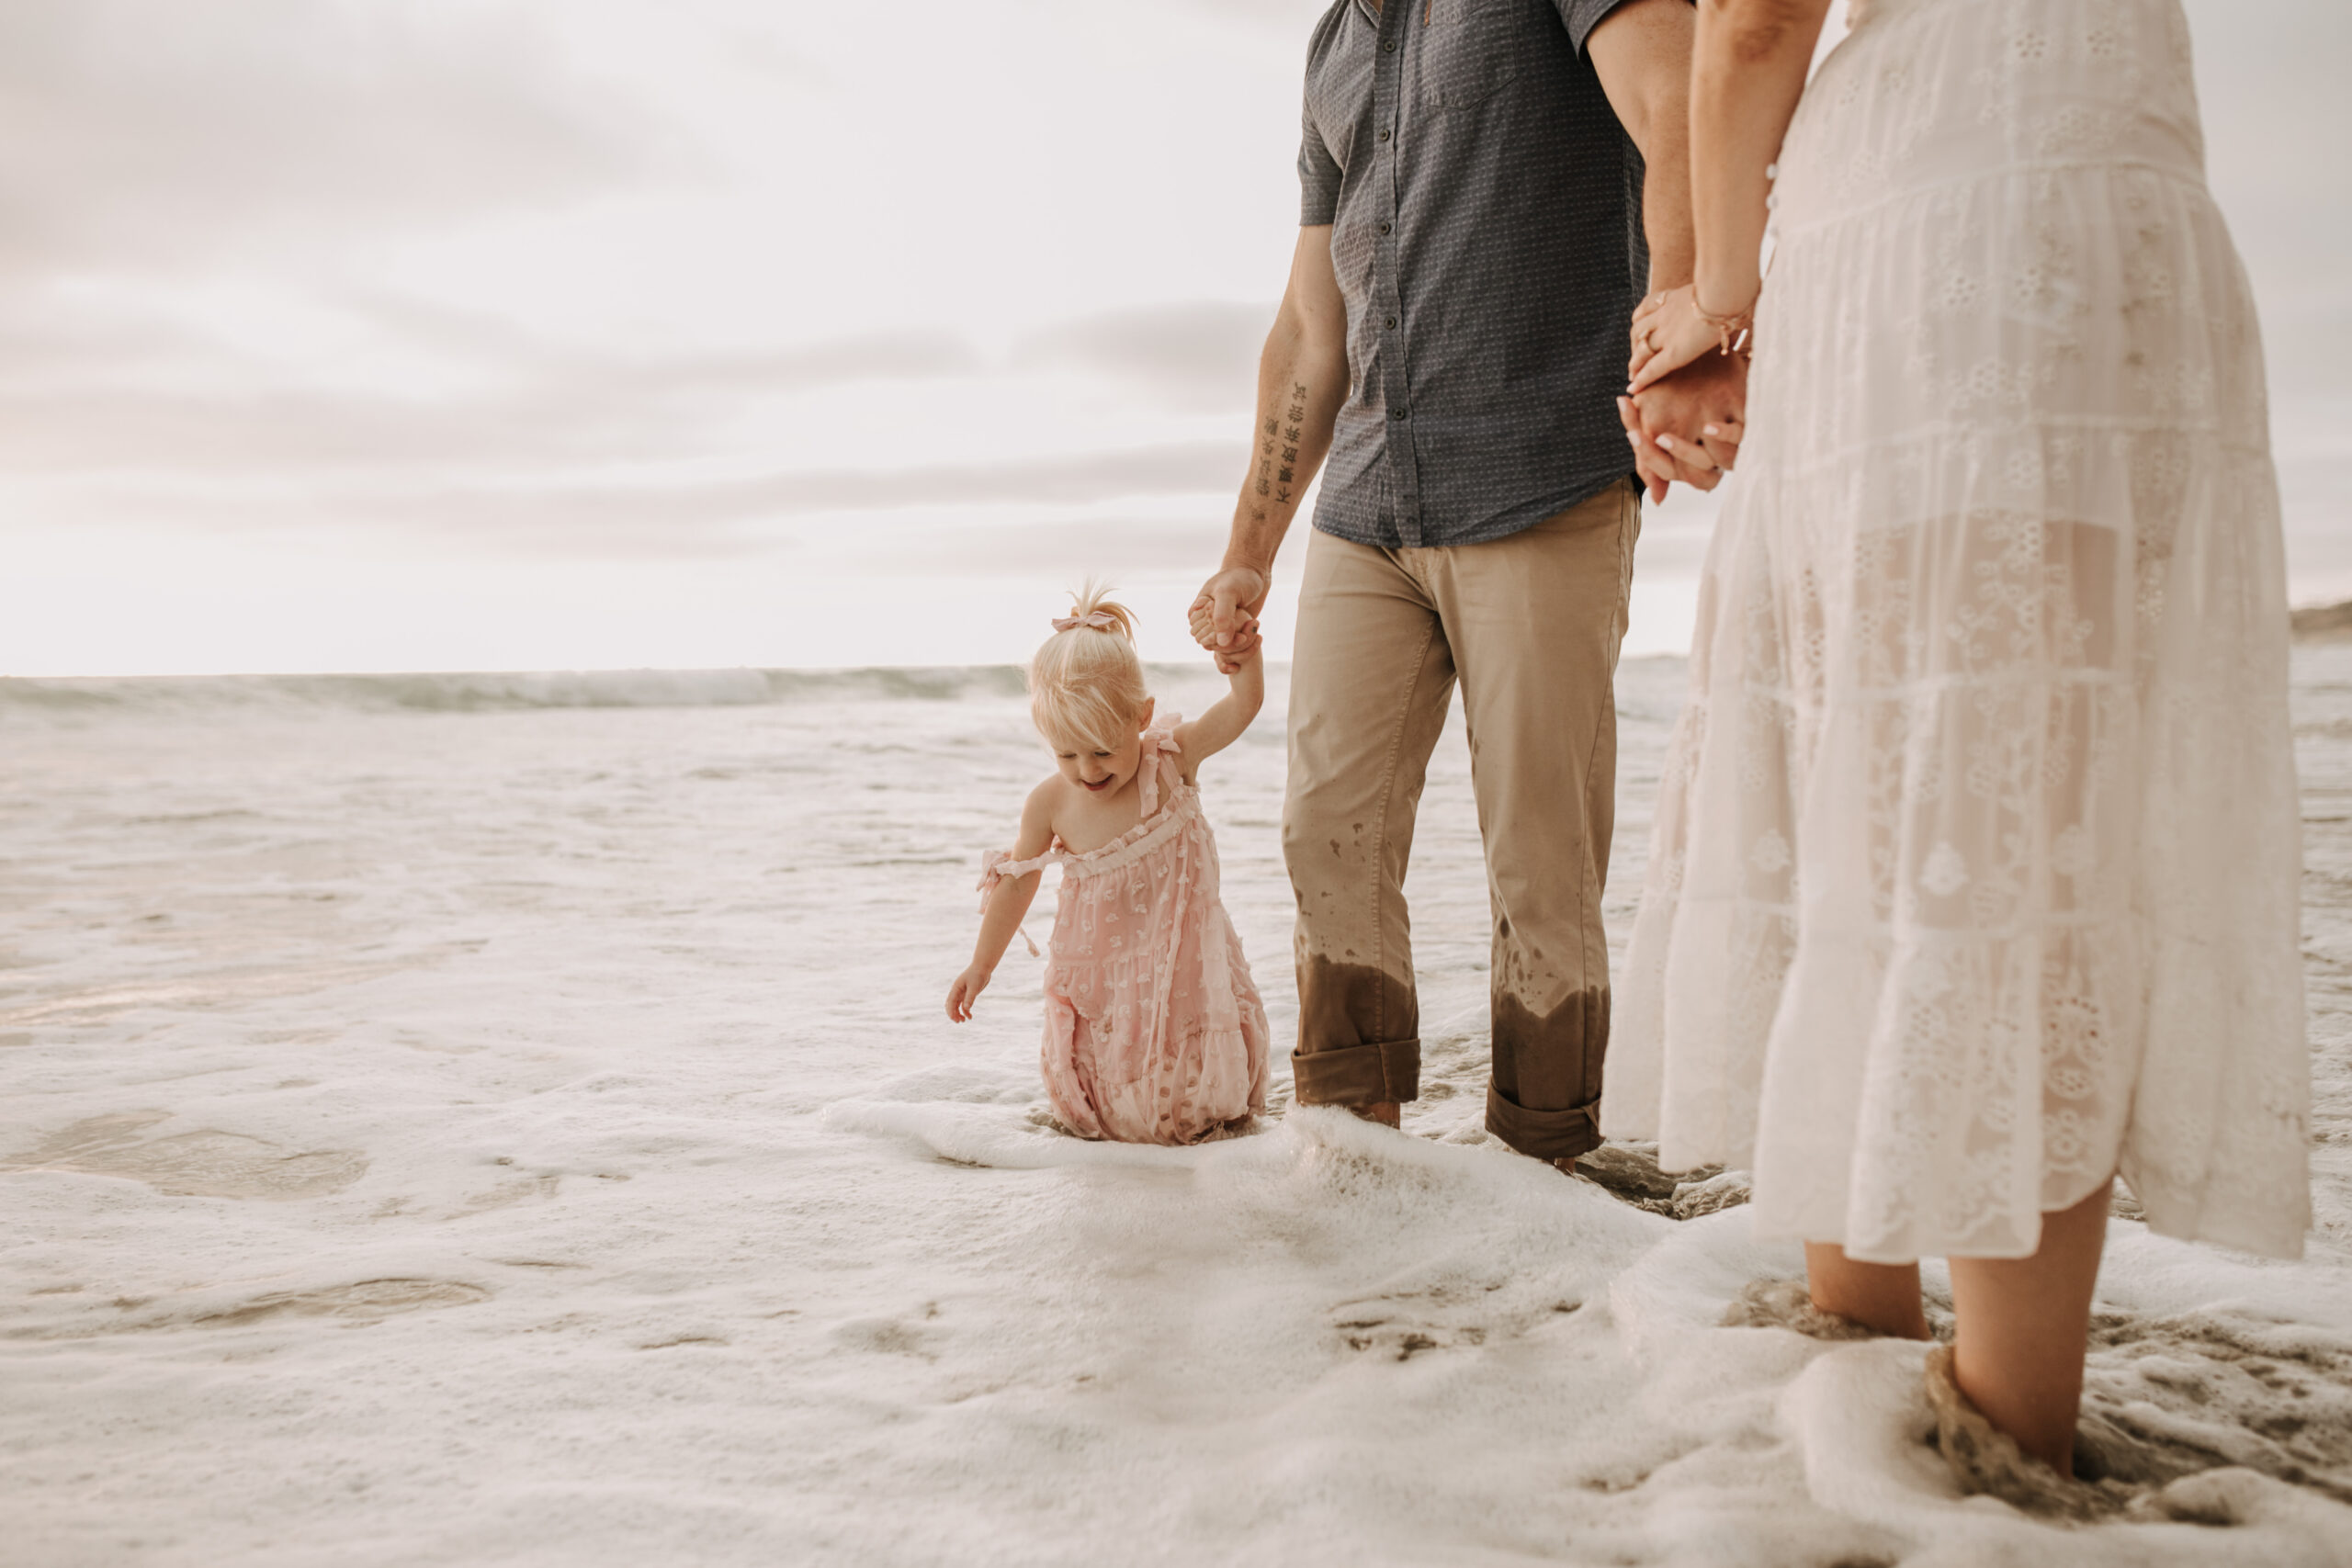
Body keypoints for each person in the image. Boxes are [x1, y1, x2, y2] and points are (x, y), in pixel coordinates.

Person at [1602, 0, 2312, 1496]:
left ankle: (1922, 1422)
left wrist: (1720, 296)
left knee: (1870, 782)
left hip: (1922, 213)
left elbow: (1751, 23)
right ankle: (1990, 1458)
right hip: (2125, 204)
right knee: (2035, 807)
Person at [1189, 0, 1738, 1173]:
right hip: (1366, 502)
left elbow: (1679, 112)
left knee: (1540, 862)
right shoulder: (1336, 40)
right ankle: (1348, 1163)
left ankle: (1545, 1177)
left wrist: (1693, 330)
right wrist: (1249, 545)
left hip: (1541, 470)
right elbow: (1307, 320)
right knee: (1323, 833)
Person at [948, 588, 1272, 1145]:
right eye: (1067, 754)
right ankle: (1115, 1151)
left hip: (1182, 963)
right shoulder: (1050, 803)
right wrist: (982, 966)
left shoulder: (1171, 763)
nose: (1086, 770)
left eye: (1102, 751)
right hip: (1101, 976)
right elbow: (1017, 884)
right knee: (1110, 1091)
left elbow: (1242, 707)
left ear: (1140, 716)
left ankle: (1205, 1153)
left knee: (1198, 1100)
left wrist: (1244, 660)